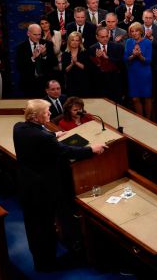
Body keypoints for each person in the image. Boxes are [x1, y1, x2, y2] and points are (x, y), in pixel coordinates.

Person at [13, 99, 105, 271]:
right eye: (47, 112)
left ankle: (41, 261)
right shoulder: (42, 137)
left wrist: (53, 135)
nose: (50, 114)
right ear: (37, 116)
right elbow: (65, 151)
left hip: (27, 186)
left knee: (33, 225)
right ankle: (46, 264)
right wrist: (91, 149)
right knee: (44, 227)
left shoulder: (19, 127)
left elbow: (37, 138)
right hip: (42, 190)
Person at [16, 23, 58, 97]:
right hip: (28, 83)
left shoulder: (48, 44)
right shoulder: (21, 47)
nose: (38, 37)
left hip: (45, 83)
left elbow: (54, 63)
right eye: (35, 34)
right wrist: (33, 58)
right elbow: (20, 67)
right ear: (28, 33)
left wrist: (44, 54)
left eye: (39, 34)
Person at [124, 22, 153, 118]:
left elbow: (148, 61)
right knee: (135, 99)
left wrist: (140, 56)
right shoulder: (128, 42)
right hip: (133, 73)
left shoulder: (147, 42)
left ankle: (148, 119)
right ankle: (141, 119)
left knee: (147, 97)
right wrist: (133, 56)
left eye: (136, 31)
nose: (134, 33)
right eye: (132, 31)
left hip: (145, 73)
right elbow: (125, 59)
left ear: (141, 31)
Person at [61, 31, 89, 97]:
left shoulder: (84, 52)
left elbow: (86, 68)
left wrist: (76, 62)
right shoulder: (65, 54)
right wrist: (72, 64)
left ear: (80, 42)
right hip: (70, 83)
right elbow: (65, 70)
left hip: (83, 82)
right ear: (69, 41)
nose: (74, 42)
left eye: (77, 40)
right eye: (72, 40)